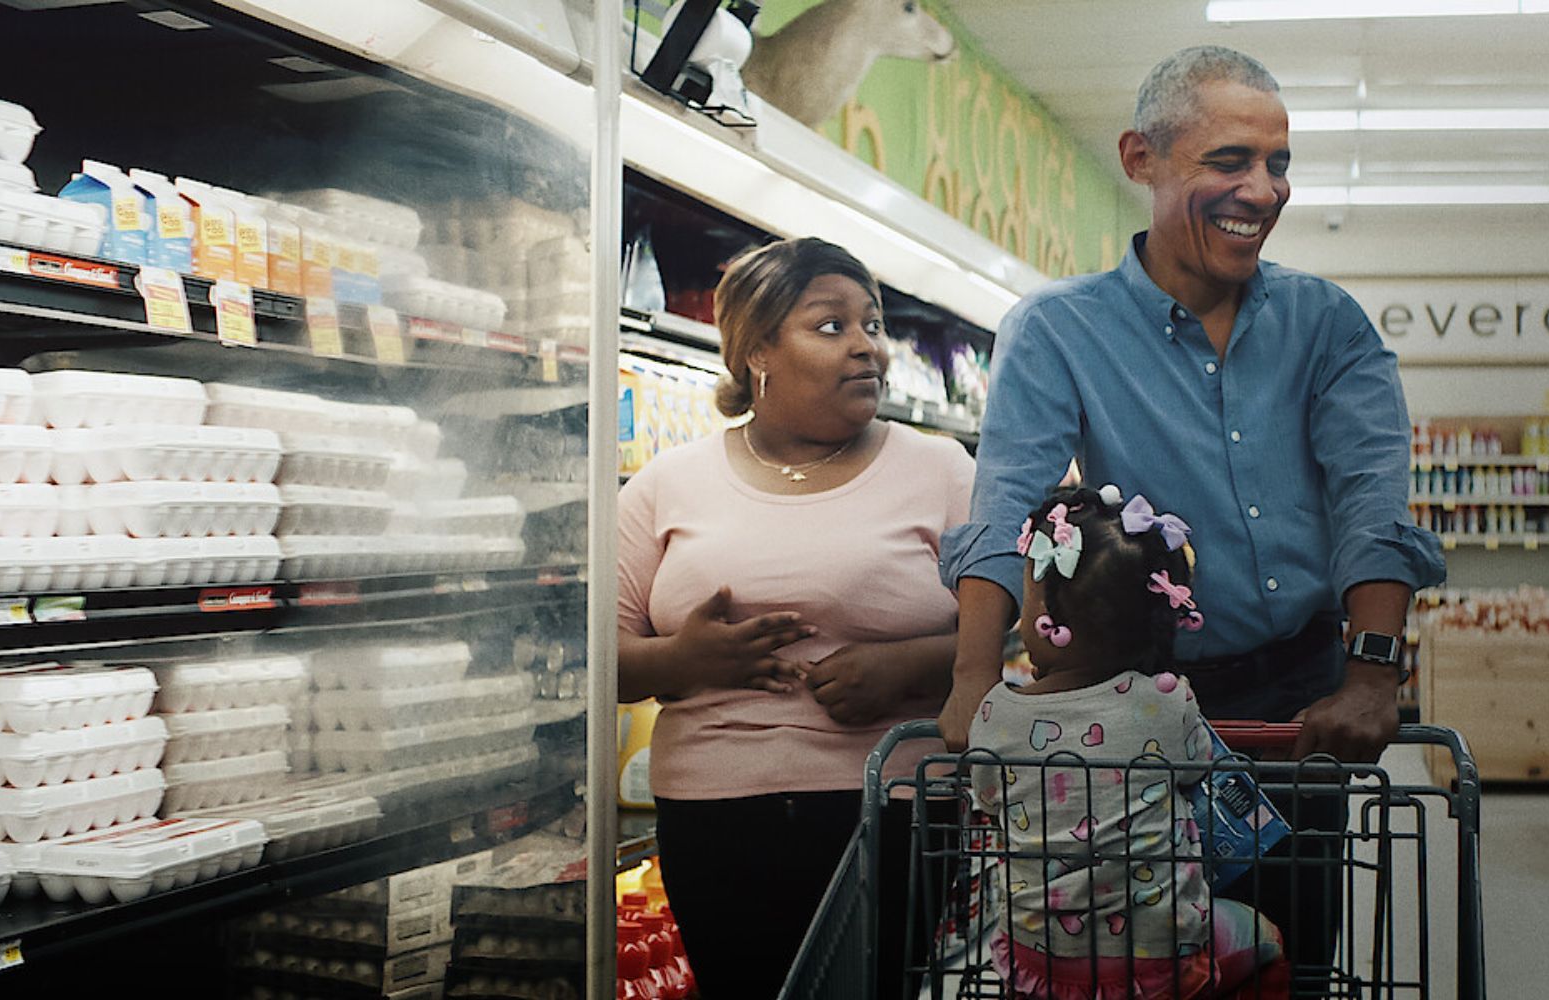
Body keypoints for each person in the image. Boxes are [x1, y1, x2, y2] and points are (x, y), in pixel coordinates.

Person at [937, 45, 1446, 987]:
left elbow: (1371, 497)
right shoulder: (1060, 331)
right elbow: (1007, 500)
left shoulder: (1327, 324)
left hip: (1302, 704)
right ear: (1143, 159)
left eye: (1278, 163)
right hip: (1127, 711)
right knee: (1133, 961)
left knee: (1280, 956)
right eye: (1229, 161)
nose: (1262, 189)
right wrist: (975, 677)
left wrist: (1372, 674)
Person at [617, 237, 974, 998]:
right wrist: (685, 663)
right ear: (758, 352)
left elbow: (1013, 632)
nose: (867, 348)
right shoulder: (665, 486)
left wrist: (907, 666)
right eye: (831, 326)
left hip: (896, 807)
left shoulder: (940, 470)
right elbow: (600, 659)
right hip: (712, 814)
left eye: (872, 324)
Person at [967, 485, 1288, 1000]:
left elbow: (987, 796)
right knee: (1264, 936)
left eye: (1026, 604)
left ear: (1051, 626)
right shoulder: (1165, 702)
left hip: (1037, 965)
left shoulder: (995, 713)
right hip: (1158, 968)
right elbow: (1194, 768)